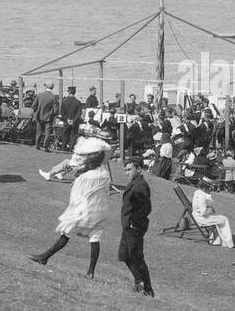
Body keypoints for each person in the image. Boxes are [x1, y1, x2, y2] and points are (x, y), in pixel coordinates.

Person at [28, 144, 112, 278]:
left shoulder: (88, 175)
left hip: (85, 208)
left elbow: (79, 192)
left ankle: (44, 257)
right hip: (99, 209)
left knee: (66, 232)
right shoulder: (104, 173)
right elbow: (106, 191)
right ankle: (90, 272)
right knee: (94, 237)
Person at [118, 157, 154, 296]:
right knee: (124, 255)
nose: (126, 172)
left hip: (134, 227)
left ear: (138, 169)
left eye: (129, 169)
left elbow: (146, 208)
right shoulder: (135, 183)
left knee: (136, 256)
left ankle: (147, 288)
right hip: (128, 225)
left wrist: (134, 222)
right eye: (125, 170)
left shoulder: (141, 186)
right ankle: (140, 282)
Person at [191, 176, 234, 247]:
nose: (210, 190)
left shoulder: (197, 192)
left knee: (220, 217)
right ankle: (227, 242)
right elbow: (203, 212)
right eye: (209, 188)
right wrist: (210, 210)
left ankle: (216, 239)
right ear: (205, 188)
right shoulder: (202, 197)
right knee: (224, 219)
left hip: (196, 215)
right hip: (201, 219)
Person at [33, 82, 59, 152]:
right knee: (47, 132)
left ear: (45, 86)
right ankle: (45, 145)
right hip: (48, 117)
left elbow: (34, 106)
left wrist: (37, 112)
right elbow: (56, 110)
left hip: (39, 116)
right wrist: (53, 114)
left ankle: (37, 144)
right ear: (52, 87)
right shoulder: (54, 97)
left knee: (38, 131)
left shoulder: (40, 95)